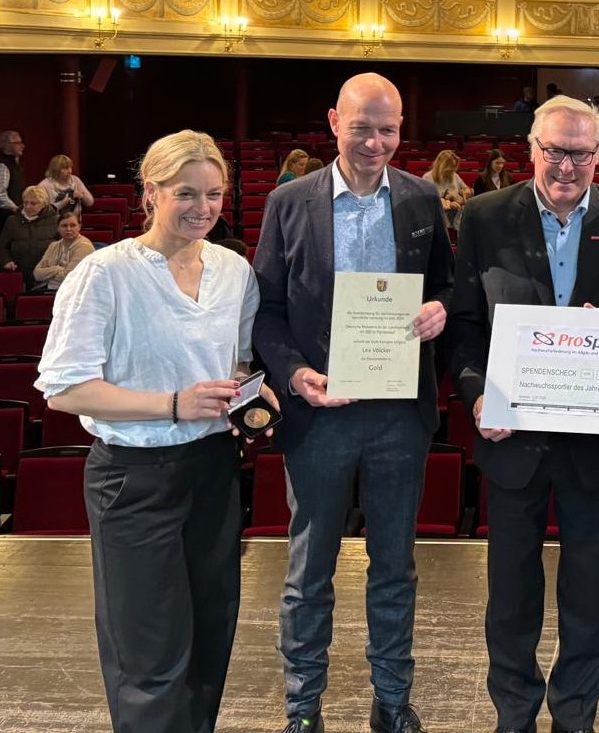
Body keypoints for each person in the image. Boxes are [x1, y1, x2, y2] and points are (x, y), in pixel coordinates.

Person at [33, 129, 266, 733]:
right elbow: (64, 389)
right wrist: (173, 405)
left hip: (213, 470)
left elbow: (236, 362)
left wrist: (249, 391)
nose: (202, 208)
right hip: (133, 479)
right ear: (151, 193)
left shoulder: (234, 270)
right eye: (185, 193)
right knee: (148, 652)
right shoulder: (104, 273)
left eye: (213, 194)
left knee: (210, 636)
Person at [447, 95, 599, 733]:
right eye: (555, 151)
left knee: (588, 594)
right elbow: (465, 324)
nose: (567, 166)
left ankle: (576, 718)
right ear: (532, 148)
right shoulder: (485, 215)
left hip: (592, 444)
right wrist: (477, 395)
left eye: (581, 154)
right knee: (510, 595)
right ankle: (513, 716)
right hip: (512, 438)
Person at [253, 73, 453, 733]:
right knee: (308, 571)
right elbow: (266, 311)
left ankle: (392, 703)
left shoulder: (422, 198)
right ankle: (302, 708)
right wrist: (293, 373)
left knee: (394, 568)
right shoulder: (288, 201)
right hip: (319, 414)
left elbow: (449, 287)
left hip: (399, 415)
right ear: (334, 121)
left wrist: (438, 308)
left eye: (387, 130)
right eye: (362, 127)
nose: (375, 142)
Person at [0, 185, 59, 288]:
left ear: (44, 204)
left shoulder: (56, 220)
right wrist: (6, 261)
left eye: (33, 203)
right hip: (19, 273)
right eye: (25, 203)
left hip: (48, 275)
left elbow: (64, 247)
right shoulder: (12, 221)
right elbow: (2, 247)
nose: (28, 206)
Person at [32, 209, 95, 290]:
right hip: (51, 289)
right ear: (58, 228)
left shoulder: (84, 246)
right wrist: (57, 269)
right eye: (64, 226)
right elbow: (37, 274)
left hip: (75, 291)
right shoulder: (53, 246)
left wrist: (48, 275)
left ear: (79, 227)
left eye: (73, 225)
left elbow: (70, 276)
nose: (68, 229)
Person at [425, 149, 471, 229]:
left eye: (454, 167)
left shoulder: (454, 175)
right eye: (450, 168)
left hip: (456, 218)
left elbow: (465, 189)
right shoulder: (427, 178)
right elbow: (426, 202)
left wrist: (466, 192)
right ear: (441, 166)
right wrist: (447, 203)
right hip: (436, 219)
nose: (452, 171)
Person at [0, 129, 25, 235]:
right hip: (7, 218)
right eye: (17, 143)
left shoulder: (15, 165)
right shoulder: (1, 165)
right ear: (6, 145)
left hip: (17, 215)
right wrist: (16, 209)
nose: (22, 146)